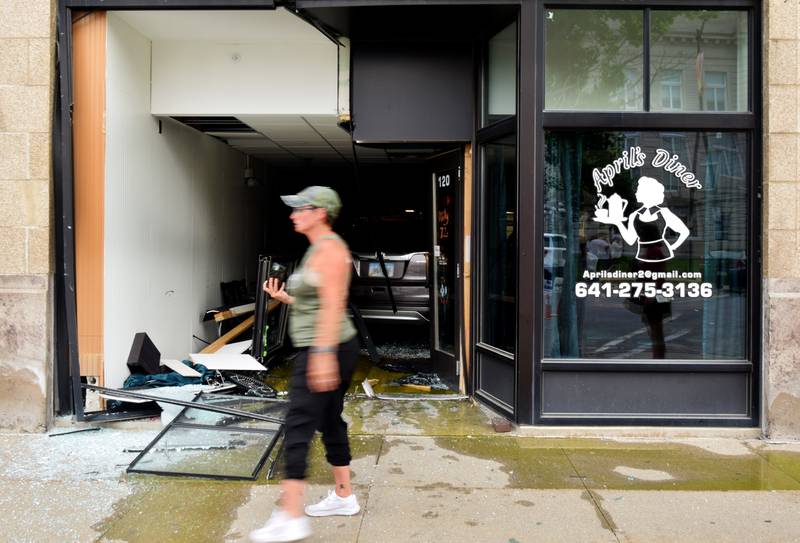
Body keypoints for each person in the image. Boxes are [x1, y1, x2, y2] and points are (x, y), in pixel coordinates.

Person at [249, 186, 360, 543]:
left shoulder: (331, 251)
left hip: (325, 348)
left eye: (300, 208)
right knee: (328, 420)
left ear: (320, 213)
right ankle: (344, 496)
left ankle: (291, 514)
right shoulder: (316, 250)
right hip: (329, 346)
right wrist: (286, 297)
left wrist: (323, 355)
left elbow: (332, 304)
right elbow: (315, 300)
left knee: (297, 423)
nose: (293, 214)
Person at [595, 176, 690, 263]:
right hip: (642, 256)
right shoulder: (634, 215)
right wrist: (618, 223)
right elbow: (630, 240)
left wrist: (673, 247)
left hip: (661, 256)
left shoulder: (664, 213)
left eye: (638, 190)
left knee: (658, 280)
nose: (635, 192)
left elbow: (684, 231)